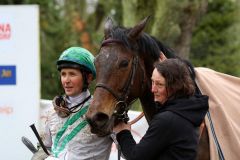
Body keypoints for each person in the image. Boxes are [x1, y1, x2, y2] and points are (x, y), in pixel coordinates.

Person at [113, 58, 209, 160]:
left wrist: (123, 133)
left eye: (159, 84)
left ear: (175, 86)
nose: (153, 89)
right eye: (152, 82)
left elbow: (135, 157)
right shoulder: (187, 112)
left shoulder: (168, 119)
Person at [32, 47, 112, 160]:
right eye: (63, 74)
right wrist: (40, 154)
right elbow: (46, 147)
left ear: (88, 78)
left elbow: (127, 153)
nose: (66, 80)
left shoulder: (104, 111)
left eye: (72, 74)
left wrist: (123, 128)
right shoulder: (52, 112)